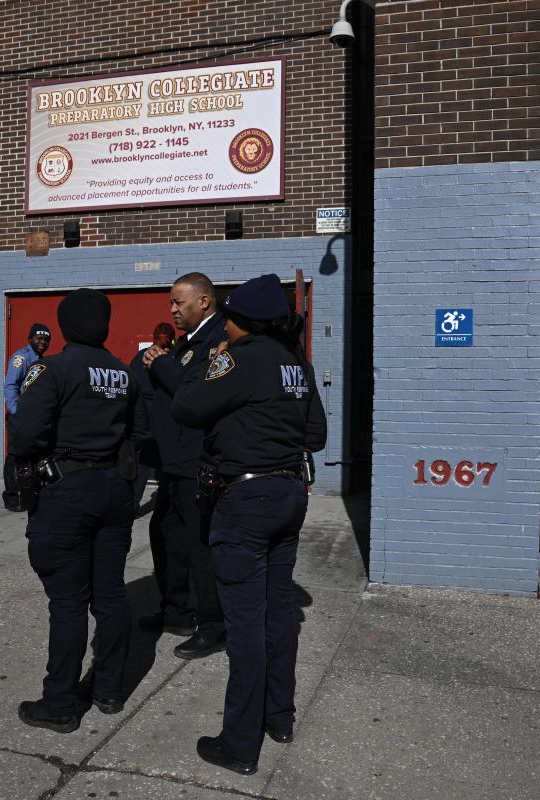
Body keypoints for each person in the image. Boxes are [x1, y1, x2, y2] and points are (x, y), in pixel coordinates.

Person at [171, 273, 327, 775]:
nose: (226, 328)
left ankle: (239, 744)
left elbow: (187, 406)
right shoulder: (295, 365)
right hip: (288, 495)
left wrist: (210, 363)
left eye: (230, 321)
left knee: (244, 625)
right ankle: (278, 717)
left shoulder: (238, 358)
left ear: (241, 322)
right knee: (276, 614)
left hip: (246, 501)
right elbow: (317, 434)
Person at [8, 289, 146, 733]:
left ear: (66, 325)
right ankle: (108, 689)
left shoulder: (51, 368)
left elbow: (27, 435)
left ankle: (61, 703)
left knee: (68, 602)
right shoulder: (124, 373)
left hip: (67, 492)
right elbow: (139, 432)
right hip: (113, 490)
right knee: (109, 594)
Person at [139, 273, 227, 656]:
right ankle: (176, 611)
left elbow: (194, 389)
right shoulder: (186, 342)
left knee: (198, 547)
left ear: (204, 302)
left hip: (197, 463)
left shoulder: (218, 338)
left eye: (179, 302)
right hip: (172, 463)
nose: (172, 310)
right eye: (171, 303)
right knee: (165, 537)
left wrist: (160, 364)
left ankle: (212, 625)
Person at [127, 322, 175, 511]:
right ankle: (165, 500)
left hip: (139, 411)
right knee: (160, 458)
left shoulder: (140, 356)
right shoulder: (168, 358)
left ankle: (132, 503)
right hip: (159, 410)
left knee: (141, 461)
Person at [5, 322, 52, 415]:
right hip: (23, 413)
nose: (43, 342)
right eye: (39, 338)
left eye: (46, 339)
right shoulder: (22, 357)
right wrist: (15, 411)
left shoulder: (43, 360)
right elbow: (11, 385)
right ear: (30, 339)